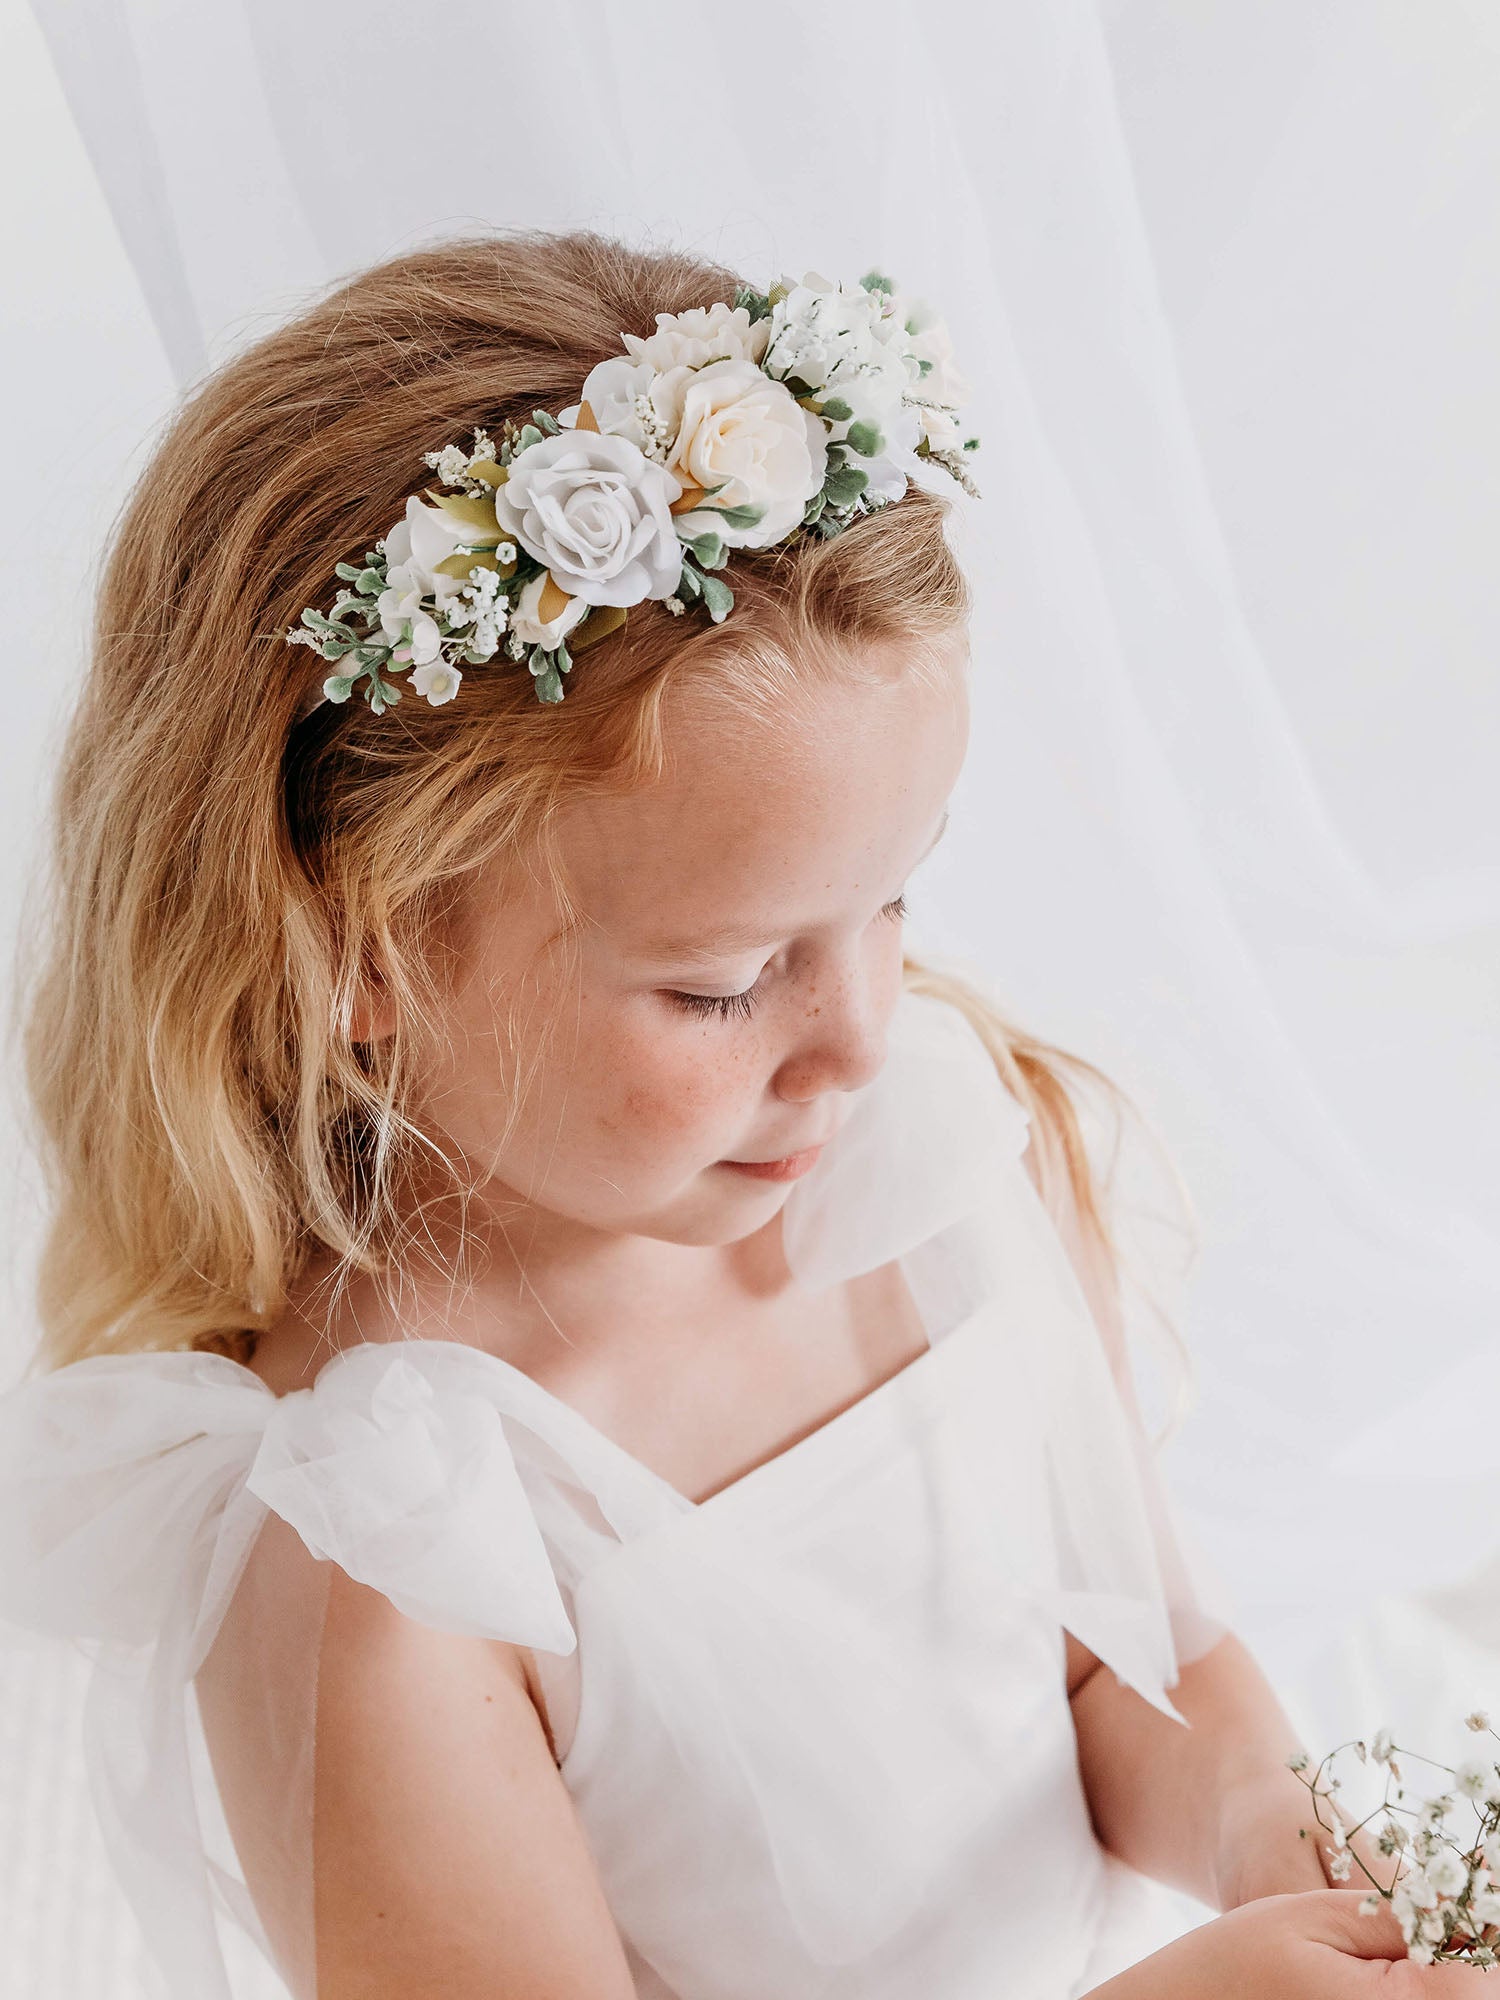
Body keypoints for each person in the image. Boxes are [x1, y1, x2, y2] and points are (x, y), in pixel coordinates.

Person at [0, 230, 1477, 2000]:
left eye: (897, 906)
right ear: (362, 952)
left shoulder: (939, 1160)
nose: (861, 1038)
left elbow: (1129, 1662)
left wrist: (1279, 1844)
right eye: (719, 983)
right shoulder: (385, 1554)